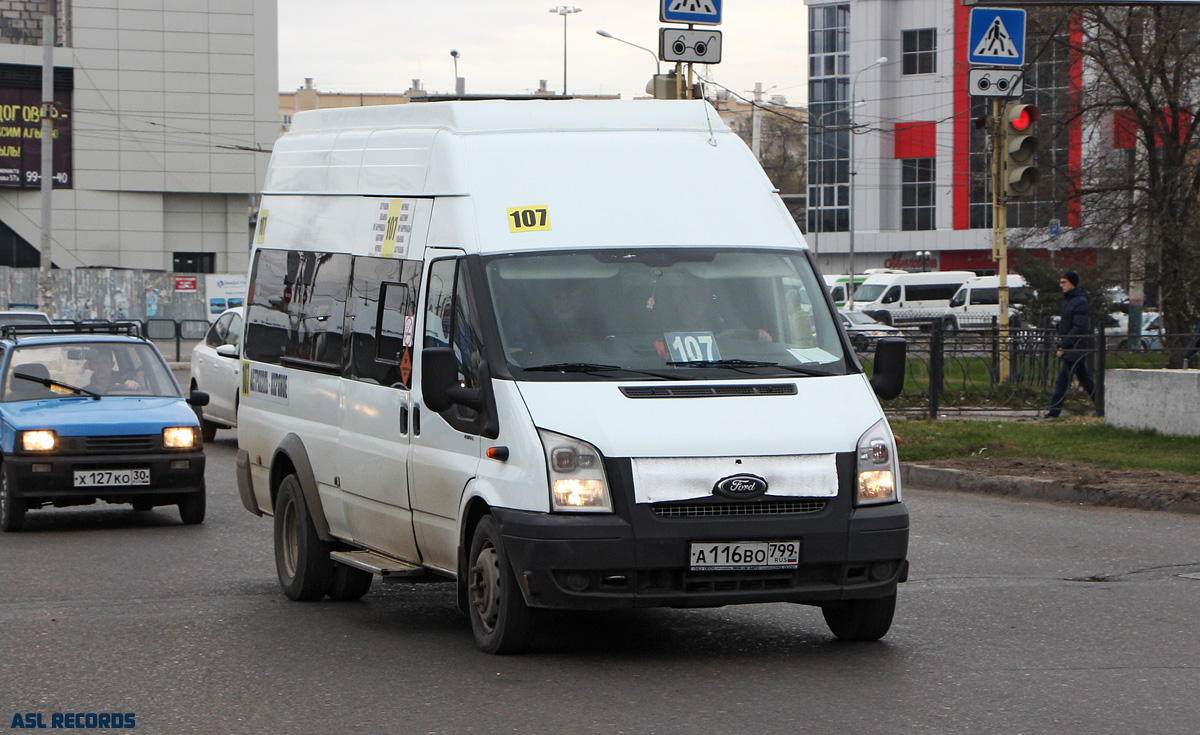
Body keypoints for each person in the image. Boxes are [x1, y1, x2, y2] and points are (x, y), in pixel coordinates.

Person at [1045, 270, 1095, 418]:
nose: (1061, 286)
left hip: (1075, 347)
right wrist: (1059, 327)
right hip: (1073, 345)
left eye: (1064, 282)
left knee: (1062, 381)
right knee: (1085, 380)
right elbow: (1068, 323)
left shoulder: (1080, 302)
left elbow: (1079, 327)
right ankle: (1103, 405)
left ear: (1072, 283)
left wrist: (1064, 345)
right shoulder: (1070, 301)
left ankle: (1054, 413)